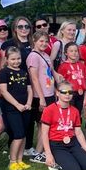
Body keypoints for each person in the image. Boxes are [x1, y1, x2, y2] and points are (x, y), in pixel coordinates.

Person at [40, 81, 86, 170]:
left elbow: (78, 132)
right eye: (64, 92)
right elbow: (44, 134)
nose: (67, 94)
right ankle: (57, 160)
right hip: (57, 145)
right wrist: (48, 154)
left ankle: (69, 158)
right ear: (57, 93)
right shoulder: (49, 110)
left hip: (72, 143)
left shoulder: (75, 111)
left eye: (70, 92)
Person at [0, 47, 32, 170]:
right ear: (6, 59)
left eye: (18, 58)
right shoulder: (3, 72)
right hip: (12, 108)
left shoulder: (24, 72)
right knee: (18, 134)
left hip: (25, 108)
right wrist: (17, 105)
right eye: (13, 59)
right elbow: (3, 91)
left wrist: (29, 103)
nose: (16, 61)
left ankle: (20, 159)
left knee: (24, 134)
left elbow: (29, 89)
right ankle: (12, 161)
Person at [26, 30, 56, 163]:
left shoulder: (45, 55)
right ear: (34, 41)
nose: (44, 44)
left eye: (46, 41)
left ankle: (41, 150)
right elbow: (34, 78)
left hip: (49, 92)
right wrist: (41, 98)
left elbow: (49, 73)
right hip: (40, 95)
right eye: (41, 41)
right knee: (43, 124)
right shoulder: (33, 56)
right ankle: (38, 153)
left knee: (45, 123)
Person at [57, 42, 86, 113]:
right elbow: (60, 83)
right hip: (69, 94)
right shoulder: (63, 66)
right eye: (71, 51)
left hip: (81, 93)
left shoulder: (81, 65)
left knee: (78, 113)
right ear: (66, 53)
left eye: (76, 51)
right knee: (69, 112)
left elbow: (85, 80)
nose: (74, 53)